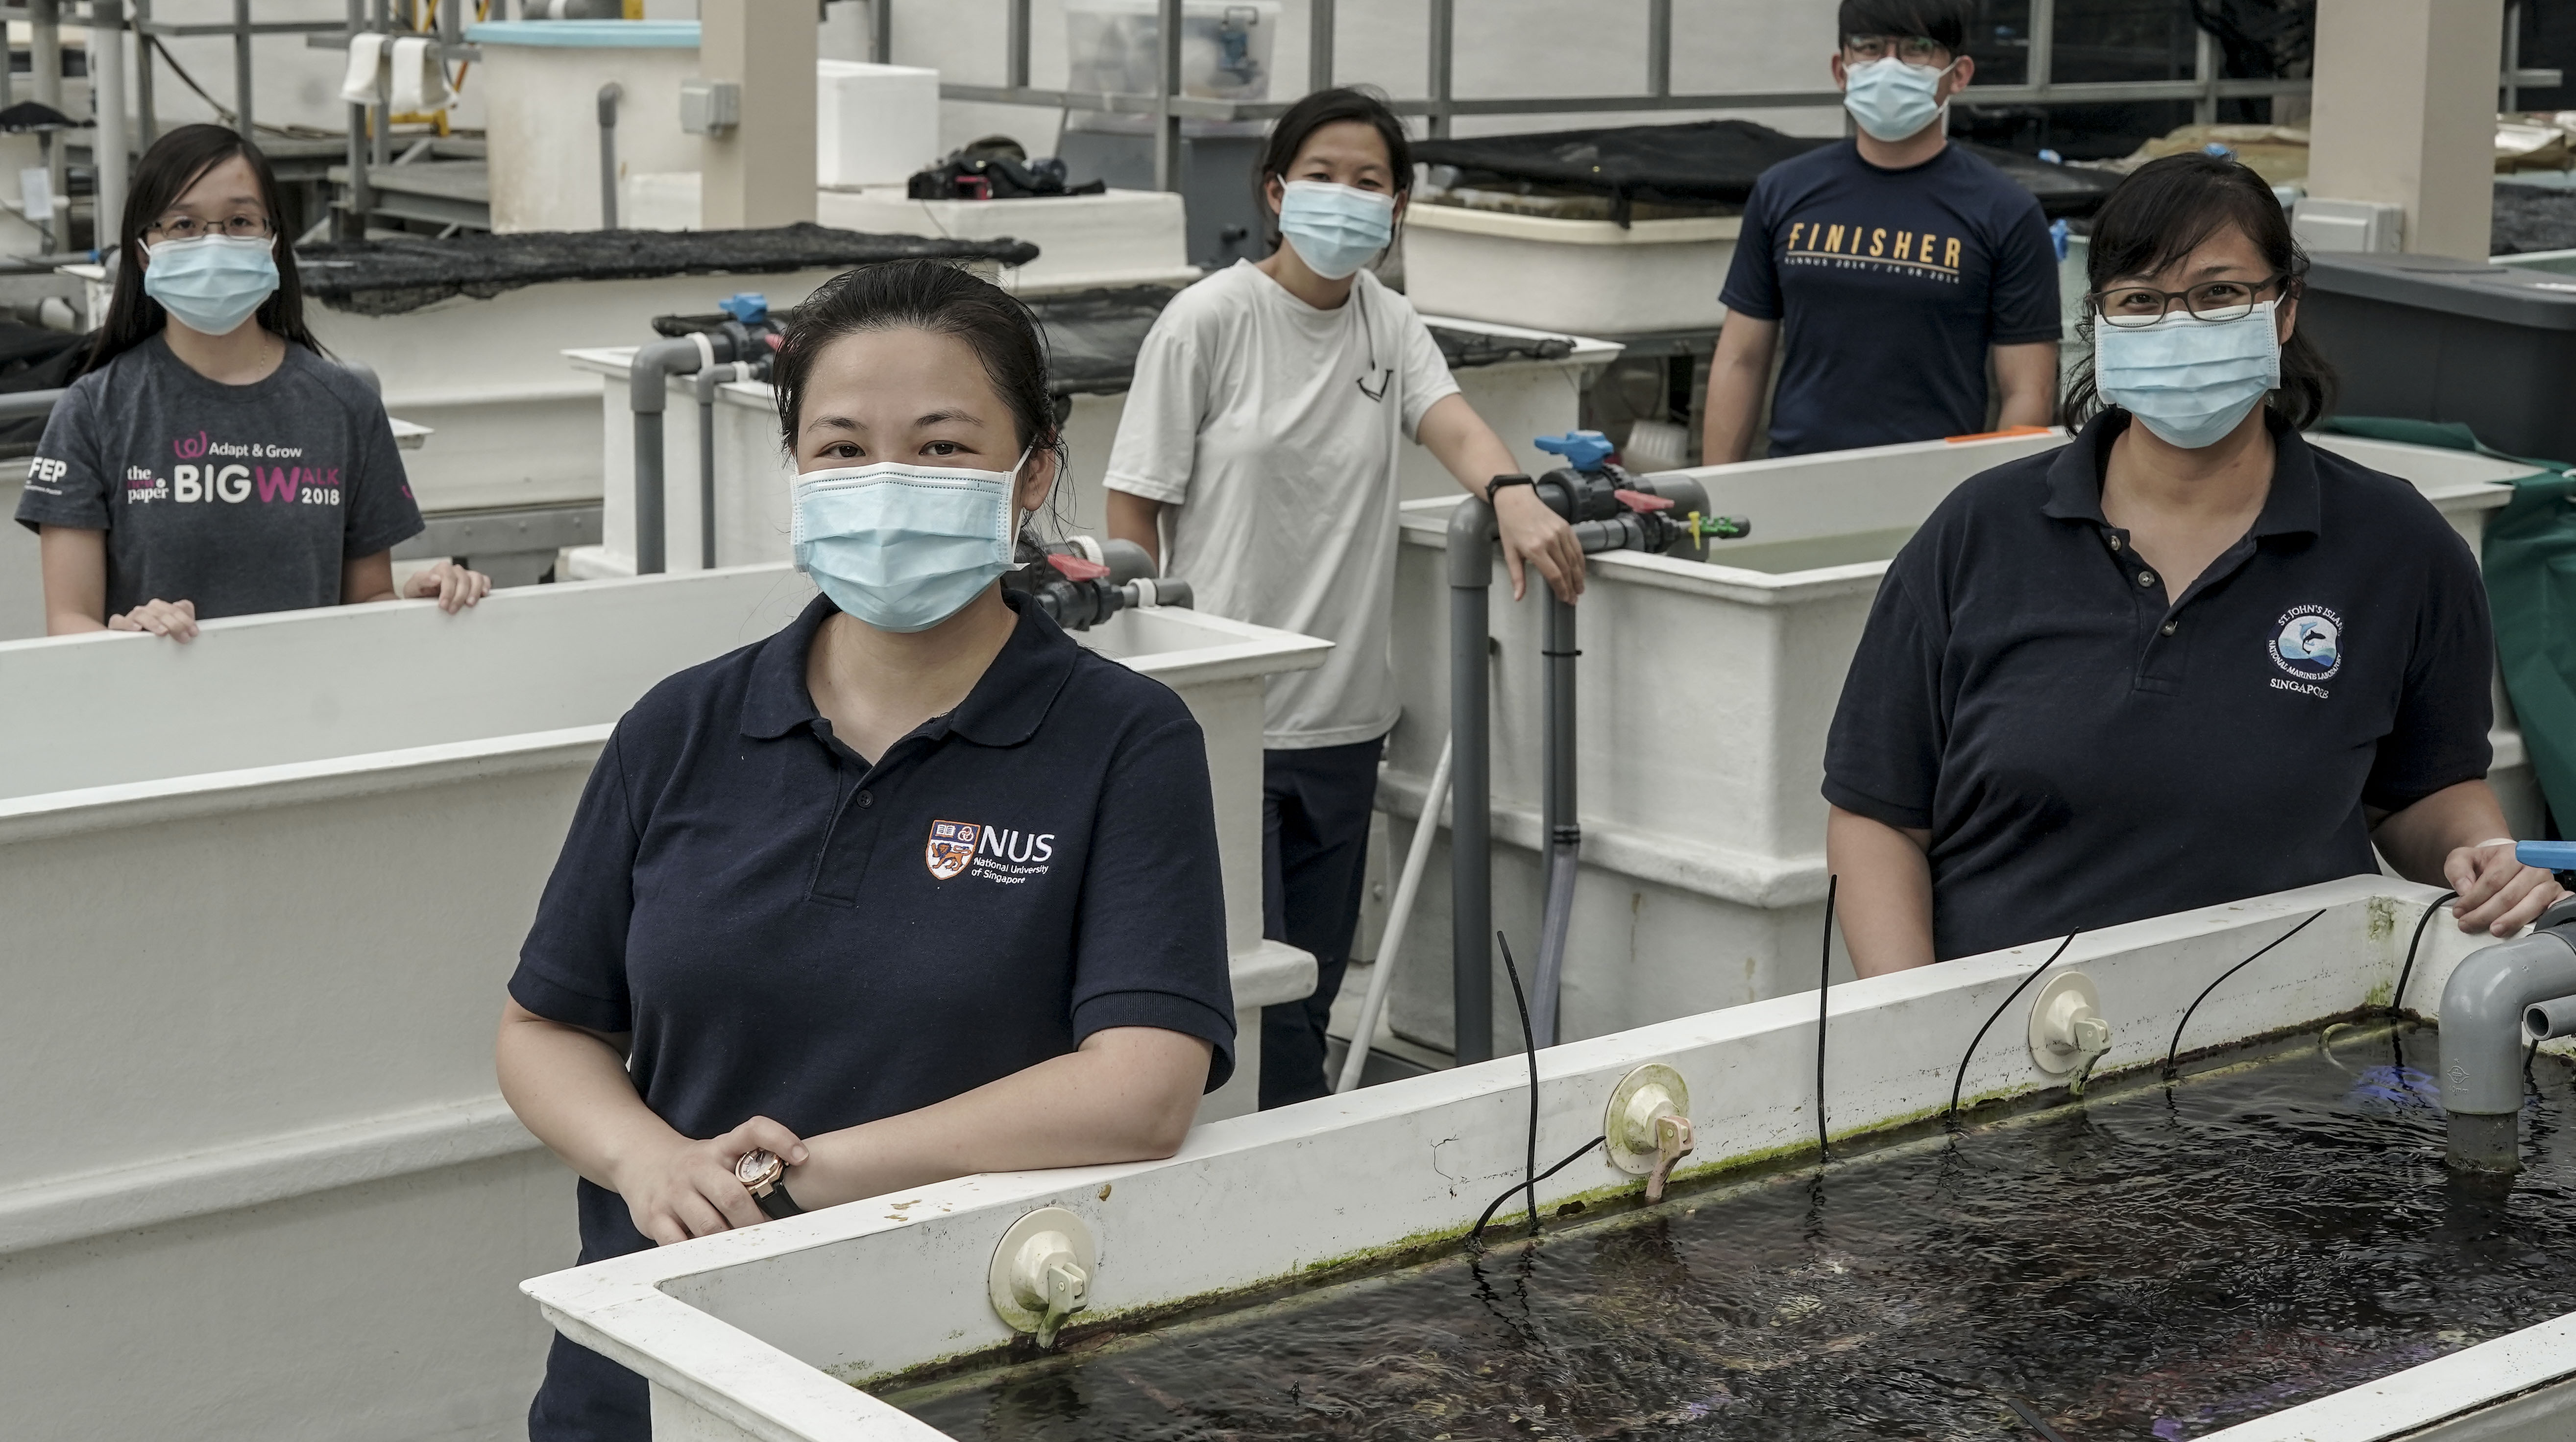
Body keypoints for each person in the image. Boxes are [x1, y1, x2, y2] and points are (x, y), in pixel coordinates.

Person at [498, 262, 1235, 1442]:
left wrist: (810, 1174)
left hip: (956, 1370)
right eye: (841, 447)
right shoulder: (680, 727)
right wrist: (651, 1160)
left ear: (1033, 470)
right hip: (653, 1357)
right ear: (792, 465)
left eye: (942, 447)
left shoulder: (1121, 740)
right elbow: (547, 1024)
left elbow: (1144, 1086)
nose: (886, 482)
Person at [1822, 153, 2560, 972]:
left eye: (2218, 294)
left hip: (2285, 1043)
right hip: (2003, 1044)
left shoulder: (2398, 548)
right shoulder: (1978, 534)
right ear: (2097, 323)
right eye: (2139, 301)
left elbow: (2422, 791)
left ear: (2284, 309)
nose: (2178, 328)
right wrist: (1913, 1034)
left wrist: (2482, 852)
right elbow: (1877, 813)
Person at [1102, 86, 1584, 1107]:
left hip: (1344, 721)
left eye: (1370, 182)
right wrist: (1146, 676)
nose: (1344, 198)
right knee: (1246, 997)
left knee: (1310, 990)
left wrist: (1510, 495)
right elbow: (1133, 509)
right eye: (1321, 175)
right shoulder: (1209, 321)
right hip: (1225, 718)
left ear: (1397, 208)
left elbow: (1450, 422)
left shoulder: (1388, 321)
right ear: (1276, 190)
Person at [14, 122, 487, 639]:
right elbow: (68, 622)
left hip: (314, 707)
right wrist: (126, 635)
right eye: (183, 225)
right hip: (155, 710)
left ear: (273, 240)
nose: (213, 242)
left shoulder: (346, 407)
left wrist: (419, 599)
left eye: (240, 220)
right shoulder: (93, 410)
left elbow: (365, 601)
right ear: (145, 249)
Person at [1702, 0, 2063, 463]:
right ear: (1840, 68)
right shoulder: (1782, 191)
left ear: (1957, 74)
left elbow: (2027, 391)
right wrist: (1718, 499)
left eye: (1915, 48)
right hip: (1793, 475)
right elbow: (1740, 359)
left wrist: (1990, 517)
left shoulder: (2006, 212)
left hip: (1933, 494)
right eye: (1869, 47)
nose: (1889, 65)